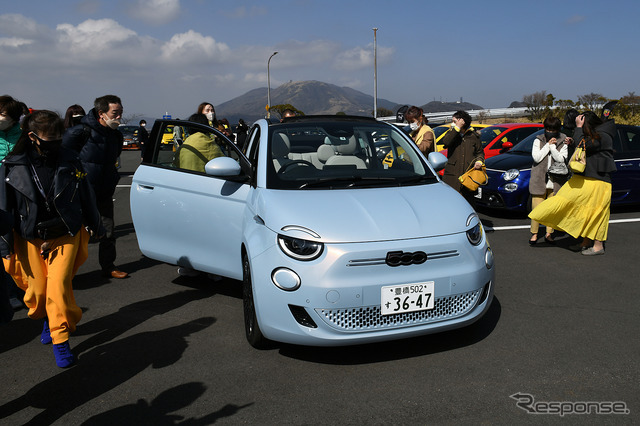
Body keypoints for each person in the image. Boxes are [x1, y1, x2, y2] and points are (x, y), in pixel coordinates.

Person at [0, 110, 104, 367]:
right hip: (28, 236)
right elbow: (5, 206)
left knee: (57, 287)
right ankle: (47, 316)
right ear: (33, 136)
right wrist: (5, 242)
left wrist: (95, 224)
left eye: (59, 137)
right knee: (37, 292)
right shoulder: (12, 165)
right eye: (50, 138)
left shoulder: (71, 159)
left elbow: (85, 195)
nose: (56, 142)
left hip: (65, 233)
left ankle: (60, 339)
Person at [529, 111, 616, 255]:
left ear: (586, 123)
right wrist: (574, 140)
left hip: (599, 181)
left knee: (597, 213)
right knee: (579, 208)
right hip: (586, 178)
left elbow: (587, 146)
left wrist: (578, 127)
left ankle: (598, 245)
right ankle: (585, 241)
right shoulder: (595, 135)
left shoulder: (604, 135)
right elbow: (584, 145)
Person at [62, 95, 128, 278]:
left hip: (105, 190)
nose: (118, 117)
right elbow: (62, 157)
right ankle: (66, 272)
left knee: (108, 231)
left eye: (121, 113)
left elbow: (115, 158)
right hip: (81, 192)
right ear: (101, 113)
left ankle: (109, 266)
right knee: (75, 234)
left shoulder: (116, 135)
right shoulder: (80, 132)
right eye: (115, 113)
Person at [0, 95, 26, 311]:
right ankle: (10, 291)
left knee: (19, 238)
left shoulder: (23, 135)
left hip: (19, 191)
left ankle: (21, 286)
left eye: (3, 115)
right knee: (3, 241)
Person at [528, 116, 569, 245]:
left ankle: (549, 233)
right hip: (539, 179)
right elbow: (537, 157)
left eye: (553, 129)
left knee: (551, 210)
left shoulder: (563, 140)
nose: (550, 131)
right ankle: (534, 234)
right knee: (537, 209)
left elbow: (562, 159)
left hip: (555, 180)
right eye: (548, 129)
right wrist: (548, 145)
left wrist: (552, 148)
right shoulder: (538, 140)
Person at [440, 110, 484, 205]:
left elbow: (480, 153)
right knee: (451, 203)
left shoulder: (473, 136)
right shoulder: (452, 134)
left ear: (463, 122)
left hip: (468, 176)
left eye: (455, 121)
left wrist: (479, 161)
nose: (453, 124)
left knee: (468, 204)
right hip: (452, 177)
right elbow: (446, 142)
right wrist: (457, 128)